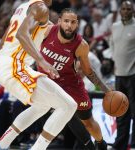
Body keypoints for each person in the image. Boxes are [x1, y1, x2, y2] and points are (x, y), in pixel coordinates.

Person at [0, 1, 78, 150]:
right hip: (14, 66)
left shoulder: (22, 7)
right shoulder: (40, 7)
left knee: (42, 106)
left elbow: (1, 44)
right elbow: (22, 34)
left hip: (6, 64)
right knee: (69, 106)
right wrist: (42, 61)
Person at [38, 8, 112, 150]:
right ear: (59, 21)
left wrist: (106, 90)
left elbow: (88, 70)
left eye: (73, 22)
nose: (69, 25)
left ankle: (101, 143)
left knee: (88, 122)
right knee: (65, 111)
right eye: (66, 21)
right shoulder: (47, 31)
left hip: (71, 84)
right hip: (48, 82)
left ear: (77, 24)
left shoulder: (81, 45)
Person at [110, 1, 135, 150]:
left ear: (133, 11)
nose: (126, 11)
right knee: (121, 113)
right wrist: (114, 60)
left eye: (129, 9)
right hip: (119, 75)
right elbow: (112, 44)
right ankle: (120, 145)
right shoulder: (114, 26)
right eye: (123, 9)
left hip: (133, 75)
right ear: (120, 11)